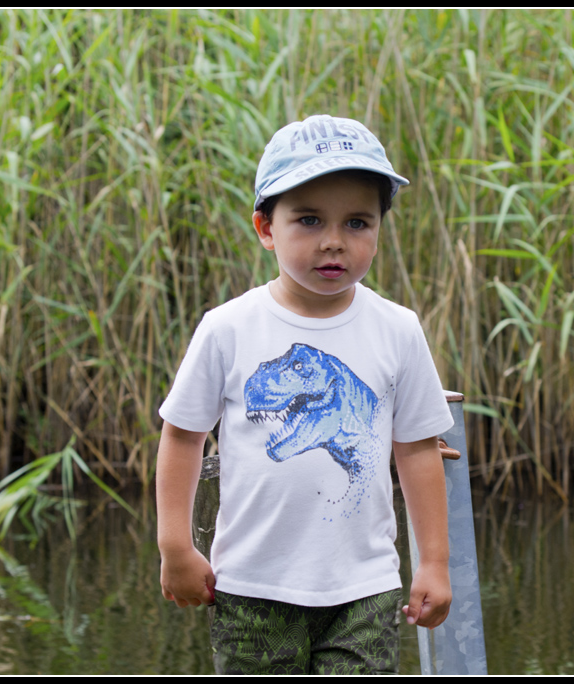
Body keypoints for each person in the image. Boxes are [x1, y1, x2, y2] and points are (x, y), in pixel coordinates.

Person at [156, 114, 454, 675]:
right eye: (310, 220)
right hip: (251, 587)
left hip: (364, 588)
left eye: (358, 223)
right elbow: (182, 435)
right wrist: (175, 546)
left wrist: (433, 562)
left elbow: (417, 449)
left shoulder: (398, 329)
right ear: (266, 228)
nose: (334, 242)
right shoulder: (228, 327)